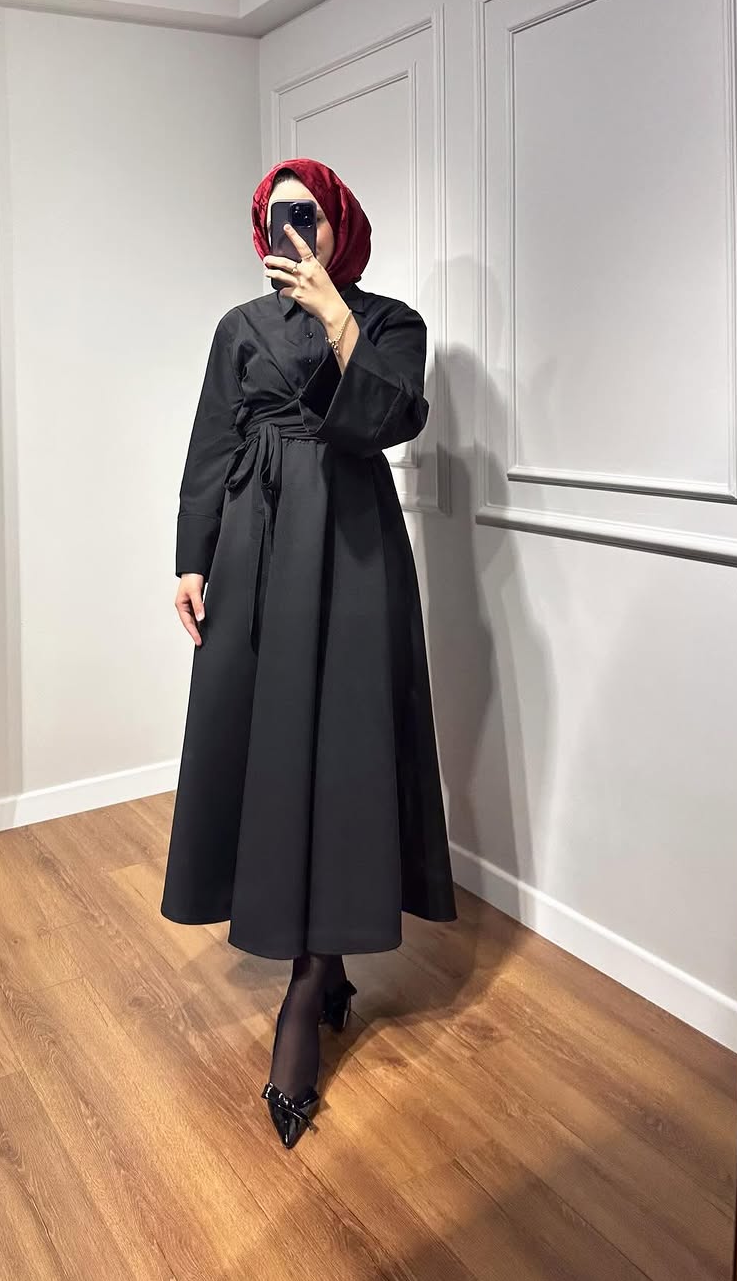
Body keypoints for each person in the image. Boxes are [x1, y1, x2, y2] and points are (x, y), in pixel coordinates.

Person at [160, 157, 457, 1149]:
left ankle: (311, 980)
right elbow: (211, 441)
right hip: (256, 545)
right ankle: (316, 965)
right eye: (276, 216)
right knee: (270, 742)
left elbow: (389, 419)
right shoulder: (237, 329)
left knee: (347, 748)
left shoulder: (394, 322)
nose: (292, 232)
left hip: (354, 545)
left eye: (310, 215)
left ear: (339, 224)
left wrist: (336, 315)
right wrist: (191, 558)